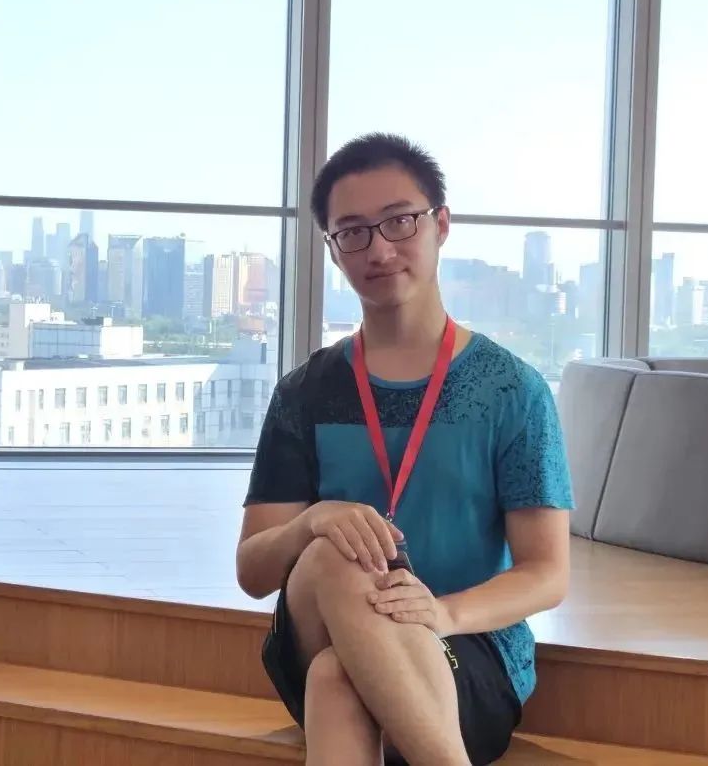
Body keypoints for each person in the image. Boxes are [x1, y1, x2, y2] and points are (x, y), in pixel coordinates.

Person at [236, 133, 573, 766]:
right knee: (333, 553)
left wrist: (440, 614)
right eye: (353, 232)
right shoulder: (306, 392)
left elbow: (547, 573)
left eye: (399, 221)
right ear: (332, 249)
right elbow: (254, 572)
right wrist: (312, 522)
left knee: (339, 677)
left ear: (440, 224)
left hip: (464, 644)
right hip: (318, 627)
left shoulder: (510, 390)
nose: (380, 248)